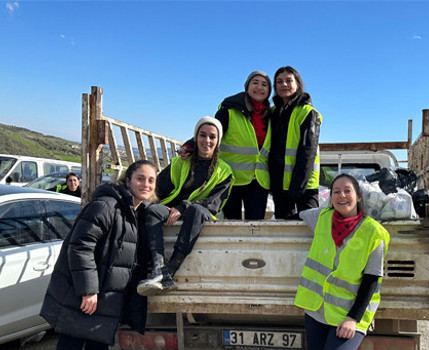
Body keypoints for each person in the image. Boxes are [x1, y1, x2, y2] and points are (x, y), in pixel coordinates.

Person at [25, 160, 158, 350]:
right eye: (140, 178)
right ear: (127, 180)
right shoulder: (106, 206)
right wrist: (88, 289)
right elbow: (80, 246)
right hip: (85, 300)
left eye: (151, 180)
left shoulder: (136, 212)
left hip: (108, 304)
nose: (145, 184)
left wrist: (177, 210)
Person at [295, 173, 390, 350]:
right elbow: (298, 212)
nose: (341, 196)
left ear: (358, 196)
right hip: (317, 310)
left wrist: (353, 319)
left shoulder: (374, 232)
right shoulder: (321, 218)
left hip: (349, 318)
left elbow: (371, 282)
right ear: (330, 198)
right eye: (336, 191)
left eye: (347, 190)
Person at [137, 116, 233, 294]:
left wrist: (183, 207)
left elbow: (213, 204)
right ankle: (158, 268)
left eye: (212, 137)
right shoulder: (180, 162)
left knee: (196, 210)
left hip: (199, 214)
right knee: (154, 210)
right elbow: (159, 188)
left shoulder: (224, 171)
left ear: (218, 141)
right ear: (196, 137)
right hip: (172, 210)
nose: (207, 140)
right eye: (202, 135)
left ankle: (170, 270)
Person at [256, 66, 322, 219]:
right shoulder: (274, 112)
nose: (284, 85)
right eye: (279, 82)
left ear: (298, 84)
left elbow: (308, 152)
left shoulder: (307, 112)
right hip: (280, 186)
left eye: (288, 81)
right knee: (284, 228)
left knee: (310, 227)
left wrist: (297, 188)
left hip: (304, 186)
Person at [212, 70, 272, 220]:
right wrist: (190, 146)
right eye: (255, 83)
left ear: (269, 91)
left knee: (255, 225)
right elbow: (211, 132)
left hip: (259, 180)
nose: (259, 87)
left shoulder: (272, 115)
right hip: (231, 178)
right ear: (247, 87)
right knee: (232, 224)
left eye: (264, 84)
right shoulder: (230, 109)